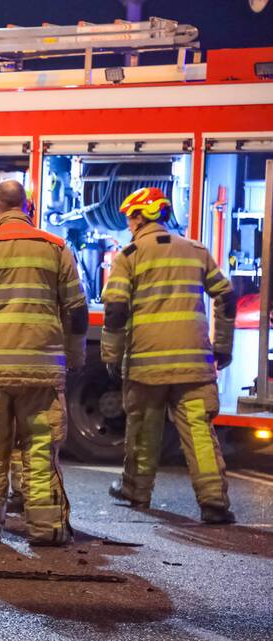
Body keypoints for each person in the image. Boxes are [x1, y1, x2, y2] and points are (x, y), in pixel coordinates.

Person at [0, 181, 87, 545]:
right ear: (28, 207)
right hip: (41, 372)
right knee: (39, 453)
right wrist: (75, 356)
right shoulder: (55, 248)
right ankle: (47, 530)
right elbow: (76, 310)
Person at [102, 187, 236, 524]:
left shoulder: (129, 256)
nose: (129, 224)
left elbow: (115, 310)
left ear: (141, 216)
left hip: (147, 364)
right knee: (199, 432)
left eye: (130, 217)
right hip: (194, 364)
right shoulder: (195, 251)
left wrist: (111, 355)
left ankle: (136, 491)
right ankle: (214, 502)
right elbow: (226, 296)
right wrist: (222, 346)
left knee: (143, 430)